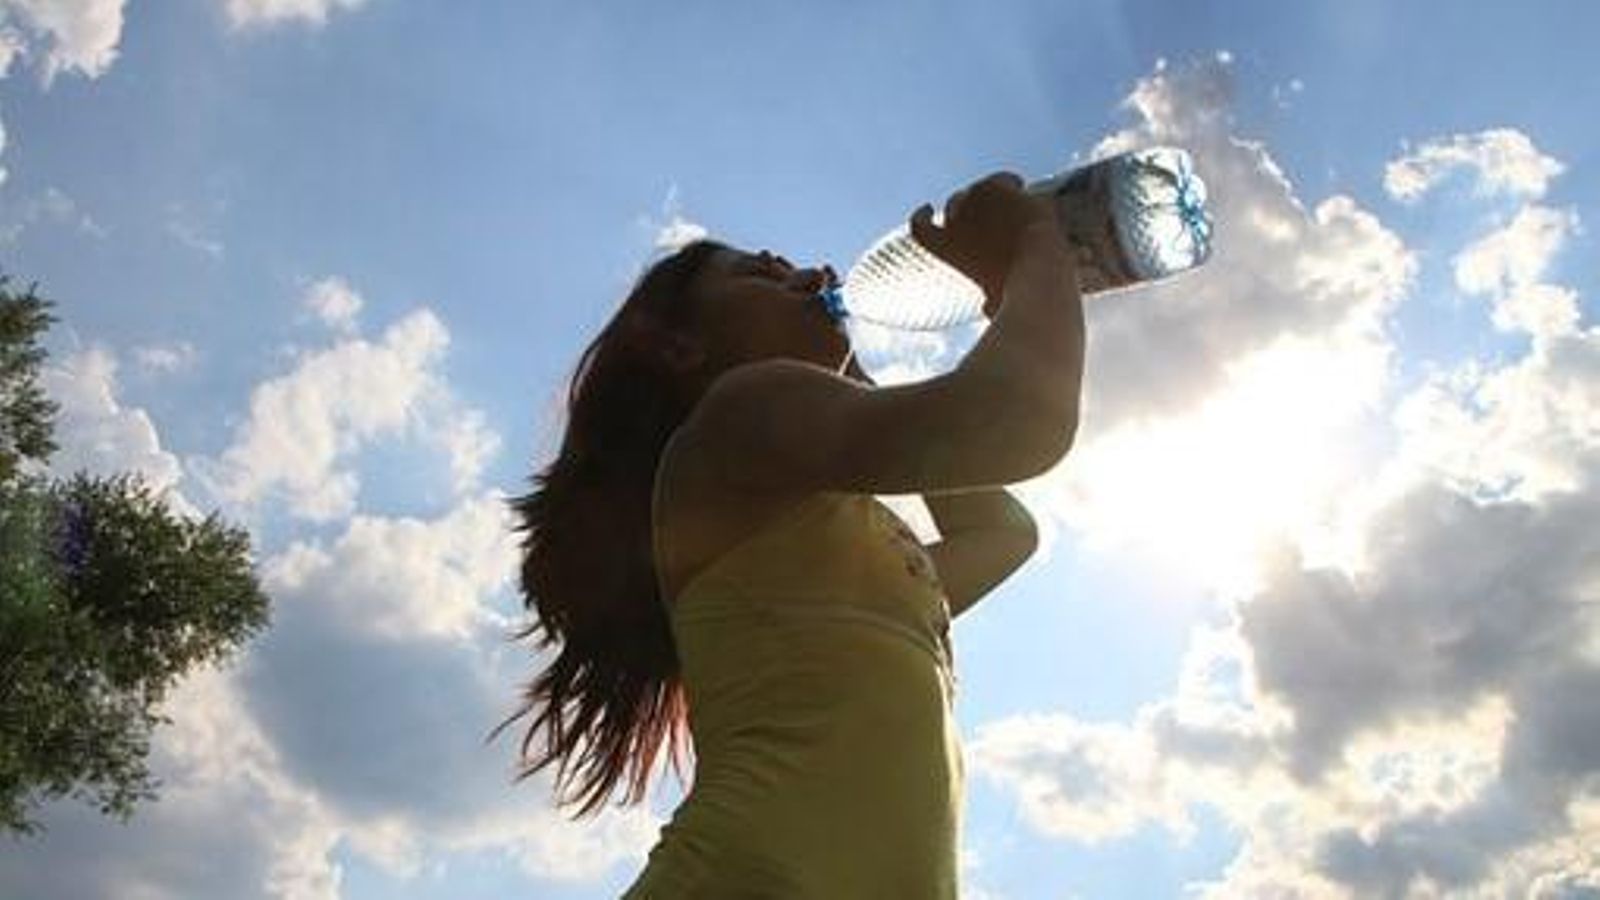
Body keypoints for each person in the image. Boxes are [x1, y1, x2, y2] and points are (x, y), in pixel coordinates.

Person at [490, 172, 1086, 897]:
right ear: (681, 348)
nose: (811, 273)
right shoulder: (737, 414)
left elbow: (1004, 532)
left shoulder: (842, 553)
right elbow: (1017, 422)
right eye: (763, 274)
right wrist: (1033, 240)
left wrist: (865, 375)